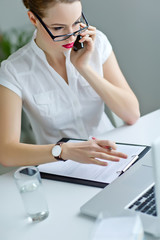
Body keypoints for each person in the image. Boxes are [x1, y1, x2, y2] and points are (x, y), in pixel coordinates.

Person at [0, 0, 140, 167]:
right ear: (33, 19)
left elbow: (132, 114)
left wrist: (84, 68)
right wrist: (64, 151)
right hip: (58, 167)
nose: (72, 35)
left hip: (112, 154)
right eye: (58, 28)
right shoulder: (13, 71)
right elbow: (6, 153)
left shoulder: (97, 43)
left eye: (76, 22)